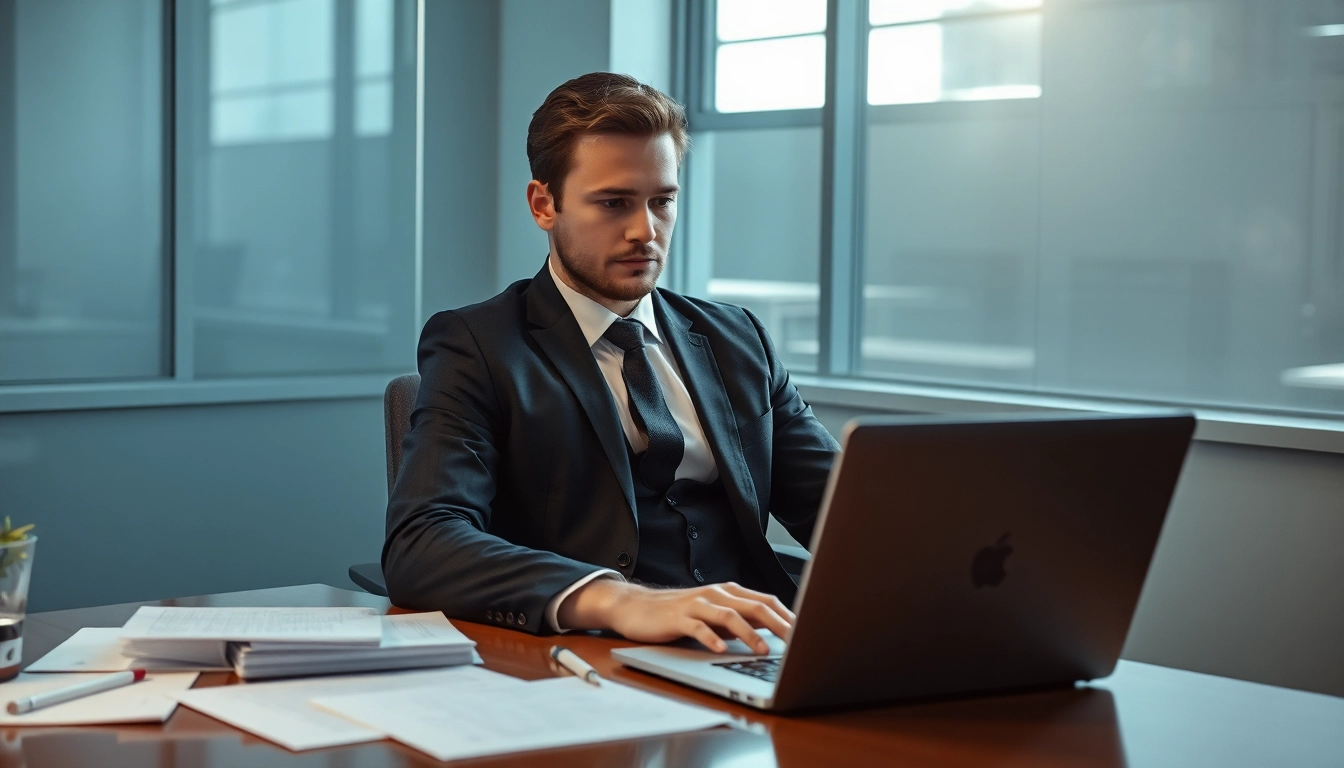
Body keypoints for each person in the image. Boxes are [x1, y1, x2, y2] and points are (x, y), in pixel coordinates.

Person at [384, 72, 839, 654]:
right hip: (595, 657)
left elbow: (846, 514)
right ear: (544, 204)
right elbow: (423, 543)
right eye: (613, 203)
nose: (644, 231)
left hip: (755, 650)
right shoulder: (478, 344)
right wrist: (621, 598)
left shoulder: (737, 338)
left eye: (662, 202)